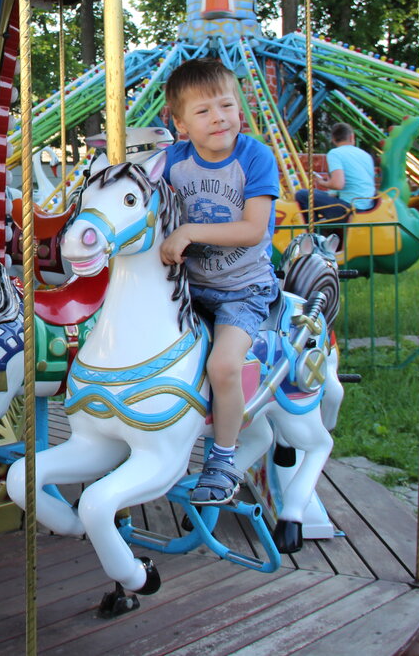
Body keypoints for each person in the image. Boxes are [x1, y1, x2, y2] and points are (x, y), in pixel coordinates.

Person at [158, 59, 279, 506]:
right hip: (188, 287)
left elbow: (252, 230)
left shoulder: (253, 157)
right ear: (181, 125)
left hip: (242, 289)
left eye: (226, 105)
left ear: (240, 112)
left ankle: (224, 460)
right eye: (204, 111)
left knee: (223, 366)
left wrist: (190, 231)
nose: (219, 117)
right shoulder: (172, 161)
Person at [294, 122, 376, 225]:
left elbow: (338, 184)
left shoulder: (335, 153)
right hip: (366, 205)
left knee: (302, 195)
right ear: (352, 137)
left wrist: (322, 183)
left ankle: (315, 234)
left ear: (333, 139)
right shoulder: (366, 155)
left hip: (350, 208)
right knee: (314, 193)